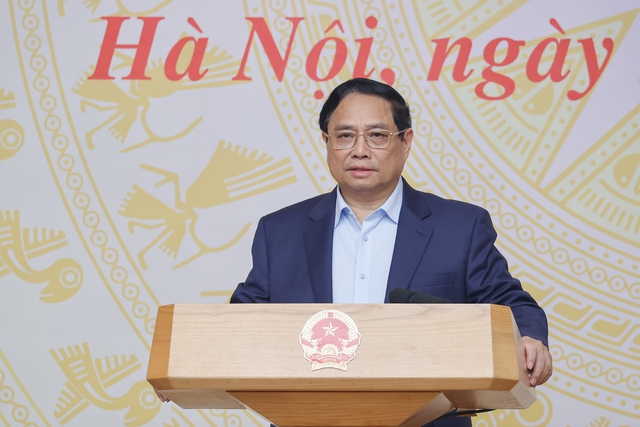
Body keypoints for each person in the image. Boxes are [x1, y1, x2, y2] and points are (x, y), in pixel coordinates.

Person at [156, 78, 553, 426]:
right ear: (327, 142)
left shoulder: (459, 227)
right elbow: (244, 319)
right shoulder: (280, 231)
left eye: (377, 136)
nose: (360, 150)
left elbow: (508, 301)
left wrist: (531, 338)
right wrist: (184, 362)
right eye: (345, 136)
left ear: (406, 142)